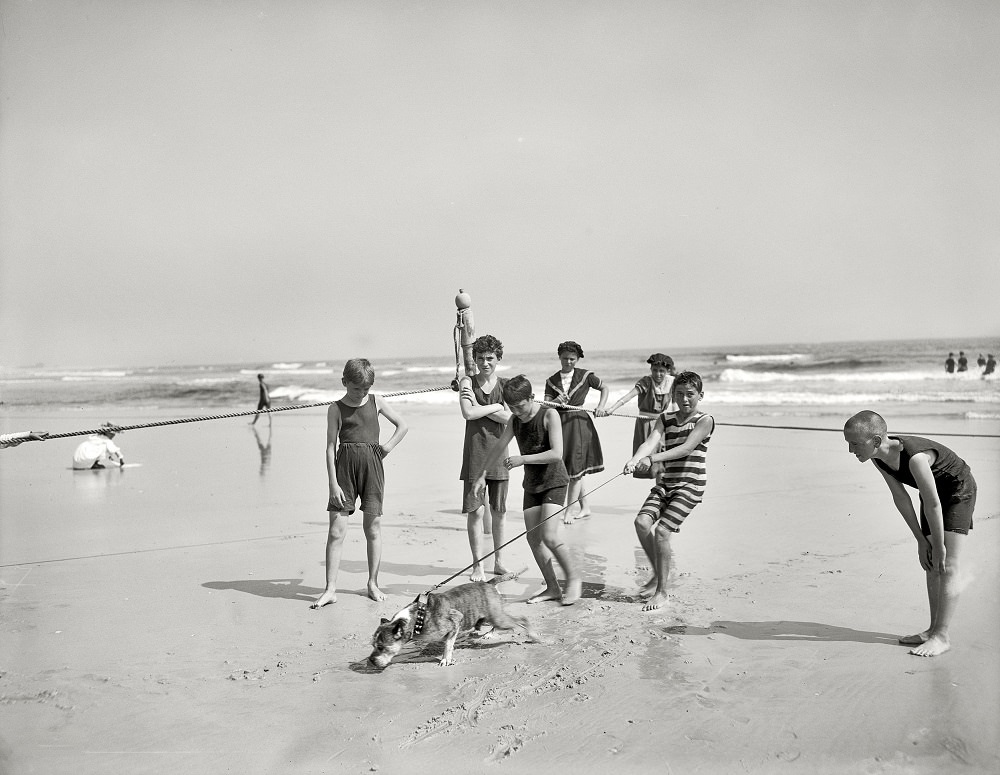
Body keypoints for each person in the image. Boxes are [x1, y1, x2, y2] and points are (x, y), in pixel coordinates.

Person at [843, 411, 977, 657]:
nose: (851, 450)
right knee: (930, 563)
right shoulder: (878, 458)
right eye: (848, 443)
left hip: (958, 491)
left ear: (874, 441)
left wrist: (938, 545)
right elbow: (901, 497)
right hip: (931, 498)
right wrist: (920, 541)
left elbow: (934, 503)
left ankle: (942, 636)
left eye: (854, 444)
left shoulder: (915, 458)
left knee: (946, 563)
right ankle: (931, 630)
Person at [475, 375, 581, 606]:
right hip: (532, 485)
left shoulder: (549, 414)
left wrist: (523, 459)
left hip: (554, 480)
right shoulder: (514, 420)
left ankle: (573, 580)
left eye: (520, 406)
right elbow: (498, 447)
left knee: (550, 537)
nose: (517, 412)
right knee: (533, 539)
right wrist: (482, 474)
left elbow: (556, 454)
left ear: (531, 398)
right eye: (511, 407)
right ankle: (552, 588)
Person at [311, 359, 408, 608]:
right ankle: (330, 588)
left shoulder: (376, 401)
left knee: (372, 528)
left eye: (365, 389)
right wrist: (333, 484)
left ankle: (372, 583)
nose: (361, 393)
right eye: (356, 389)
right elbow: (330, 447)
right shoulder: (335, 409)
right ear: (344, 382)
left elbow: (402, 425)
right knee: (336, 531)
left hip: (372, 470)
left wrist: (386, 447)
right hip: (344, 471)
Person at [623, 372, 714, 612]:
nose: (685, 399)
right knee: (642, 522)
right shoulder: (665, 417)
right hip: (668, 483)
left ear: (700, 396)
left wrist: (651, 459)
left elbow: (685, 449)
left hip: (691, 484)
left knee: (662, 531)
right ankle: (658, 572)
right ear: (673, 395)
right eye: (680, 394)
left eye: (690, 395)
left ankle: (662, 592)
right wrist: (635, 459)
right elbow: (650, 441)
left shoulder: (705, 420)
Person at [458, 334, 512, 581]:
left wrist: (486, 409)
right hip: (476, 454)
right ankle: (477, 565)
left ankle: (500, 561)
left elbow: (512, 419)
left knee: (498, 511)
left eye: (490, 358)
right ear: (475, 359)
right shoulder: (466, 381)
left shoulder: (507, 386)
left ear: (498, 359)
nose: (485, 363)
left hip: (500, 455)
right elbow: (468, 413)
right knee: (476, 512)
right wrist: (497, 407)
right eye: (480, 358)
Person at [544, 341, 609, 523]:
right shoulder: (551, 381)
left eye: (572, 359)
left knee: (575, 470)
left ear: (578, 359)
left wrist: (601, 406)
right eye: (565, 358)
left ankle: (568, 512)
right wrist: (557, 399)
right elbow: (546, 405)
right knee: (570, 469)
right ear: (559, 357)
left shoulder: (586, 375)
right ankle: (585, 507)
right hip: (559, 425)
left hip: (579, 424)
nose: (568, 362)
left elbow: (605, 388)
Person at [597, 353, 676, 479]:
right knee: (650, 460)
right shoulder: (646, 382)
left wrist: (676, 421)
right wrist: (611, 409)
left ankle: (662, 493)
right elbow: (629, 396)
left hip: (663, 422)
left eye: (662, 371)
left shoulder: (672, 382)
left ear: (668, 371)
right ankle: (660, 492)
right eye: (655, 370)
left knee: (663, 462)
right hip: (646, 423)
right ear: (651, 369)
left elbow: (675, 404)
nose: (658, 374)